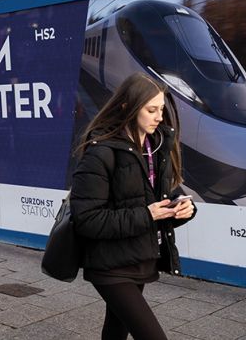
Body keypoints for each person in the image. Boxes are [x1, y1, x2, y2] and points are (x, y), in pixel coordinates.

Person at [69, 72, 196, 340]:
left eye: (161, 109)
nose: (159, 117)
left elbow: (157, 201)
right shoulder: (100, 152)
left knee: (116, 329)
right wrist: (147, 214)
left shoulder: (156, 147)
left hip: (139, 257)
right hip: (110, 264)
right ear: (127, 107)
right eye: (151, 110)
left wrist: (180, 211)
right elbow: (88, 220)